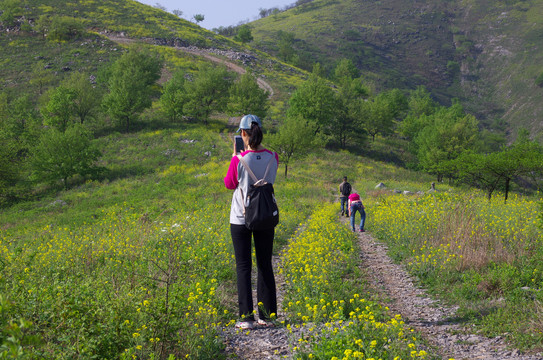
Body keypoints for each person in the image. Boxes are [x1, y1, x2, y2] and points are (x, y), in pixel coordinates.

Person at [224, 114, 279, 330]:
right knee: (265, 264)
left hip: (240, 217)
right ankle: (267, 315)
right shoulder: (273, 157)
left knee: (243, 266)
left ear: (243, 134)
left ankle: (246, 318)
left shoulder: (239, 160)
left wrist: (235, 157)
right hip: (266, 215)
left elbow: (230, 184)